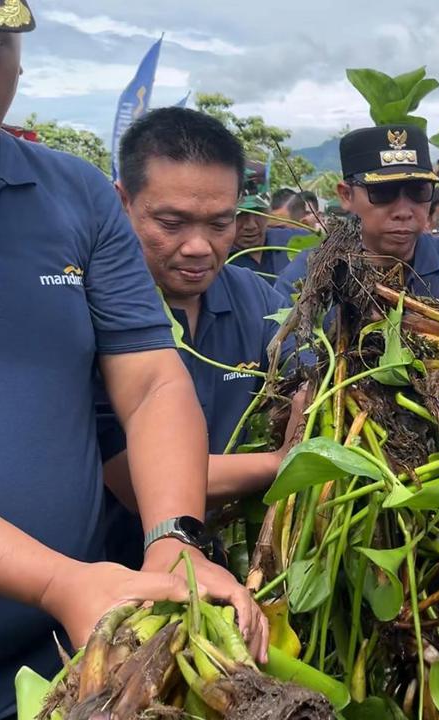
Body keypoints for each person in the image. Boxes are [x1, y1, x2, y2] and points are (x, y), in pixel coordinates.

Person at [0, 6, 264, 718]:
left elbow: (147, 381)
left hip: (81, 658)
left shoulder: (75, 194)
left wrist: (174, 539)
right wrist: (59, 580)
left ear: (18, 51)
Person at [96, 107, 298, 568]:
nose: (198, 246)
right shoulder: (91, 312)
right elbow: (126, 476)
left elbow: (304, 384)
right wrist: (282, 462)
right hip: (128, 577)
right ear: (121, 201)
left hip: (246, 572)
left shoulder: (257, 298)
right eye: (171, 224)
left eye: (219, 223)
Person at [272, 125, 439, 310]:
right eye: (383, 192)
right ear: (346, 195)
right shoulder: (305, 278)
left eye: (418, 191)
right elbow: (290, 359)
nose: (404, 211)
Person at [228, 191, 291, 277]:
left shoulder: (292, 241)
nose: (251, 225)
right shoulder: (217, 260)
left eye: (258, 212)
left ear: (268, 212)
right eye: (241, 214)